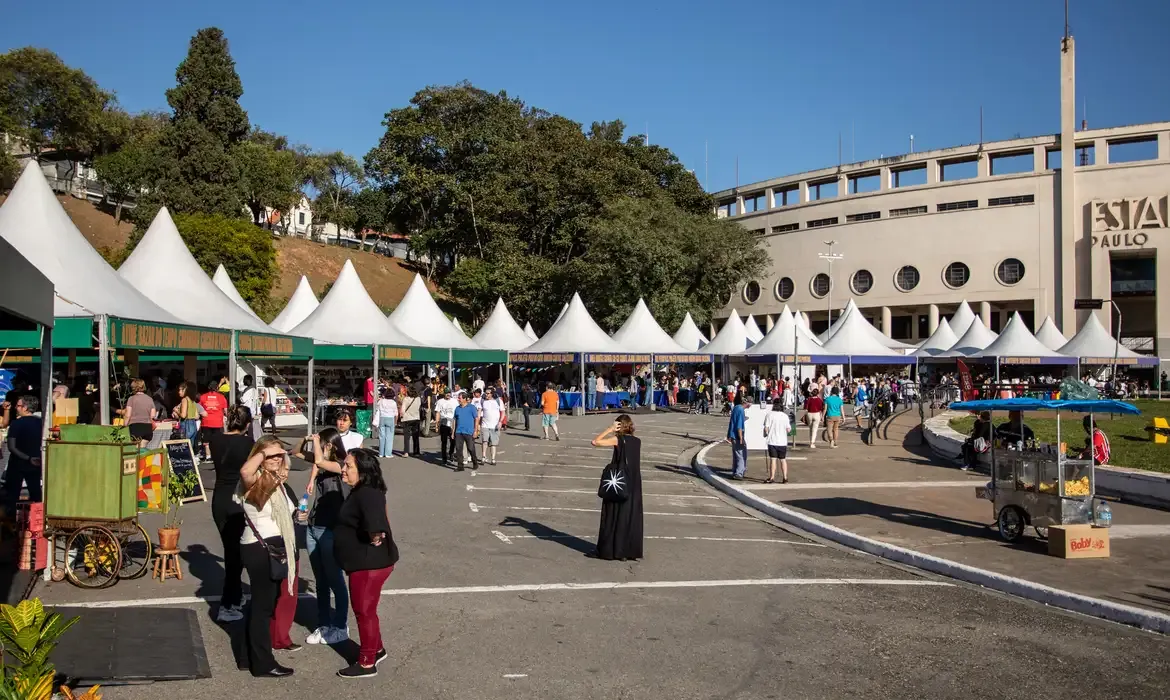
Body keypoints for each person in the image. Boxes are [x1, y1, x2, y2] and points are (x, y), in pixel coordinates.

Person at [236, 436, 300, 677]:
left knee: (263, 604)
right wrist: (265, 453)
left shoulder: (276, 480)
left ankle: (247, 655)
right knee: (263, 607)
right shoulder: (254, 480)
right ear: (259, 456)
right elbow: (245, 471)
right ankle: (263, 663)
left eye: (278, 455)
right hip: (260, 547)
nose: (275, 459)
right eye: (270, 455)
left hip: (273, 546)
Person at [334, 448, 398, 678]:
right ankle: (376, 649)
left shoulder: (367, 493)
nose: (343, 469)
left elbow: (376, 521)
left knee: (364, 612)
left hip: (369, 565)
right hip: (365, 562)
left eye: (348, 466)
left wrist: (375, 534)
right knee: (367, 610)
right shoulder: (362, 490)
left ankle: (367, 662)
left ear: (362, 471)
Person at [294, 428, 350, 646]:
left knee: (335, 579)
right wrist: (306, 438)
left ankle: (340, 625)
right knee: (321, 581)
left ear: (331, 446)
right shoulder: (321, 464)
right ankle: (324, 623)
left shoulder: (341, 465)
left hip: (330, 530)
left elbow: (319, 460)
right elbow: (297, 452)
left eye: (323, 443)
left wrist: (317, 443)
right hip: (313, 526)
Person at [209, 406, 254, 622]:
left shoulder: (215, 440)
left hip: (219, 498)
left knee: (232, 550)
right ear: (248, 424)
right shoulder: (248, 444)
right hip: (237, 498)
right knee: (235, 554)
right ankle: (227, 604)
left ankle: (236, 594)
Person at [590, 414, 643, 561]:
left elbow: (595, 442)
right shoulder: (637, 441)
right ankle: (626, 551)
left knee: (613, 514)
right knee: (629, 517)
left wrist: (609, 429)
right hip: (633, 483)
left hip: (619, 481)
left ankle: (610, 550)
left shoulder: (618, 440)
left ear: (619, 426)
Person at [4, 395, 43, 514]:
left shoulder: (16, 424)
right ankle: (38, 518)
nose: (16, 408)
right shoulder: (41, 423)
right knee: (36, 493)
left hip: (17, 464)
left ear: (25, 408)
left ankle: (11, 519)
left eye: (18, 405)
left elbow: (12, 447)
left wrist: (27, 458)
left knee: (12, 495)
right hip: (36, 462)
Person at [119, 378, 157, 448]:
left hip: (135, 428)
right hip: (147, 428)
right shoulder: (150, 399)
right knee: (143, 448)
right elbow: (153, 415)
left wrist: (124, 426)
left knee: (136, 449)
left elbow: (128, 415)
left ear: (133, 388)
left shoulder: (131, 399)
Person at [762, 398, 791, 484]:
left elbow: (766, 428)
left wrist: (765, 434)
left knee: (773, 459)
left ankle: (772, 477)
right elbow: (788, 429)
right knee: (783, 459)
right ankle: (785, 477)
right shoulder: (785, 416)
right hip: (782, 441)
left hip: (772, 440)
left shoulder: (769, 415)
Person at [199, 380, 227, 460]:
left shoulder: (203, 397)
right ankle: (216, 455)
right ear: (217, 387)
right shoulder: (221, 397)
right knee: (217, 440)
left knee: (206, 440)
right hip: (218, 422)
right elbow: (225, 410)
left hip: (206, 421)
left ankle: (208, 456)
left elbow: (199, 408)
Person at [452, 391, 480, 472]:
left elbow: (476, 419)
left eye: (460, 398)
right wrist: (453, 431)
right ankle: (460, 466)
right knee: (458, 449)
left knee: (470, 448)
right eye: (458, 398)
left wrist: (476, 430)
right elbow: (454, 420)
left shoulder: (471, 407)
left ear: (465, 399)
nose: (458, 399)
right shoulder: (457, 408)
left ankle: (475, 462)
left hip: (469, 432)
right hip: (459, 432)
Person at [371, 387, 398, 459]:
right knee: (389, 437)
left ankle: (381, 453)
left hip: (382, 419)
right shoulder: (393, 403)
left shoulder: (381, 401)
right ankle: (388, 453)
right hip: (390, 419)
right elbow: (396, 414)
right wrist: (395, 422)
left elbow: (377, 409)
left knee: (381, 436)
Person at [726, 394, 748, 480]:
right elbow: (739, 426)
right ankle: (739, 473)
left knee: (736, 455)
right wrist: (741, 437)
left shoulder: (736, 408)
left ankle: (735, 471)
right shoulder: (741, 410)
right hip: (737, 435)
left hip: (732, 435)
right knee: (741, 455)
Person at [479, 387, 503, 466]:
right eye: (485, 393)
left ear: (492, 394)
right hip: (485, 425)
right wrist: (478, 423)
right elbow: (479, 412)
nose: (486, 395)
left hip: (495, 426)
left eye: (488, 393)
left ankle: (493, 459)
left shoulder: (498, 401)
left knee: (493, 443)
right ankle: (483, 457)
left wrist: (500, 422)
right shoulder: (483, 401)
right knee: (484, 441)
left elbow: (503, 412)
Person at [433, 388, 457, 464]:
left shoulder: (455, 401)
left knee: (453, 440)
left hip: (452, 423)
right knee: (444, 442)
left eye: (449, 393)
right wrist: (436, 425)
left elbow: (457, 412)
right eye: (446, 393)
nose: (448, 394)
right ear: (444, 393)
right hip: (443, 422)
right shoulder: (440, 402)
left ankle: (451, 453)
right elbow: (437, 413)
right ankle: (444, 458)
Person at [172, 381, 200, 445]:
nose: (179, 392)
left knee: (184, 446)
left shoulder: (184, 400)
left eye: (180, 390)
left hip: (186, 425)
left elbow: (183, 415)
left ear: (185, 390)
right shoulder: (192, 400)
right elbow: (197, 416)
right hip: (193, 425)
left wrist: (176, 410)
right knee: (190, 446)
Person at [399, 387, 422, 457]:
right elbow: (419, 407)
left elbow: (403, 410)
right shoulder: (418, 399)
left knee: (406, 437)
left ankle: (406, 452)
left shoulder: (406, 399)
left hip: (407, 419)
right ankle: (416, 452)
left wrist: (401, 416)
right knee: (416, 436)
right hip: (416, 418)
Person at [239, 375, 262, 441]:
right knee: (250, 426)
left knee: (245, 426)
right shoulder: (254, 389)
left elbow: (243, 400)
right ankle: (251, 439)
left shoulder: (248, 390)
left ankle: (246, 439)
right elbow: (256, 401)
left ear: (247, 380)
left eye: (244, 380)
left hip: (246, 410)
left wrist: (239, 395)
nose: (243, 381)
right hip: (252, 411)